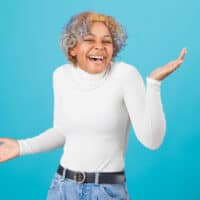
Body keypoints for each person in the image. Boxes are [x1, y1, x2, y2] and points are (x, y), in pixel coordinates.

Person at [0, 11, 187, 200]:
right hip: (62, 188)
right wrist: (21, 147)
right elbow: (62, 132)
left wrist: (154, 84)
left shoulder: (125, 75)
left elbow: (152, 141)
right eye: (89, 40)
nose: (99, 47)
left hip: (106, 191)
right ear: (72, 48)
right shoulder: (61, 75)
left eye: (106, 41)